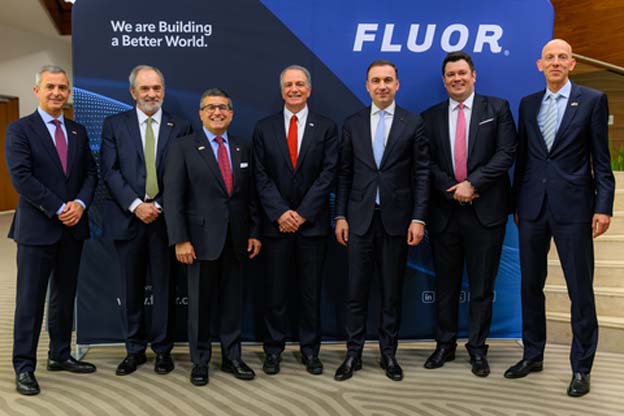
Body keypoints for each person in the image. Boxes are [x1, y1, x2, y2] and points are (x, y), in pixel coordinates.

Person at [506, 39, 614, 397]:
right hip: (532, 208)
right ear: (540, 65)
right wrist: (517, 204)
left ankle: (581, 367)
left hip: (575, 209)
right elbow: (524, 159)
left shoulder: (593, 100)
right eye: (549, 57)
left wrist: (603, 206)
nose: (555, 62)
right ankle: (532, 354)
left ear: (572, 64)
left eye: (562, 57)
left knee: (579, 289)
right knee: (530, 285)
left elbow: (601, 159)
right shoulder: (528, 104)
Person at [421, 51, 516, 377]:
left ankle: (477, 348)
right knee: (445, 285)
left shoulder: (498, 109)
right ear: (444, 80)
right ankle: (444, 344)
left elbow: (506, 153)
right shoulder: (429, 117)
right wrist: (453, 189)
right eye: (451, 75)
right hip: (445, 213)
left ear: (473, 76)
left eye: (462, 73)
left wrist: (473, 184)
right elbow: (426, 162)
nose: (457, 79)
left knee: (481, 287)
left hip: (486, 212)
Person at [334, 60, 429, 381]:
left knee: (391, 292)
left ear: (397, 85)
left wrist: (418, 218)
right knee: (355, 292)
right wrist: (340, 215)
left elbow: (422, 174)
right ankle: (353, 354)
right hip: (359, 221)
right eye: (376, 80)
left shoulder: (413, 123)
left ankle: (389, 354)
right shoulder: (353, 123)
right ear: (367, 86)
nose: (382, 86)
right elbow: (344, 174)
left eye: (388, 80)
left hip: (397, 222)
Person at [5, 65, 98, 395]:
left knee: (64, 296)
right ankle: (24, 367)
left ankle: (59, 354)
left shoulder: (77, 131)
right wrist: (60, 208)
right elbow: (21, 177)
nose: (57, 93)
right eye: (50, 87)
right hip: (37, 229)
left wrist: (80, 205)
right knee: (29, 301)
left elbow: (90, 174)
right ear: (37, 91)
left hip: (73, 228)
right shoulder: (20, 129)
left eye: (62, 87)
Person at [163, 88, 261, 386]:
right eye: (210, 108)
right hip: (199, 241)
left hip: (237, 239)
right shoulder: (183, 147)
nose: (217, 112)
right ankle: (200, 361)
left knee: (233, 304)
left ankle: (232, 357)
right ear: (201, 113)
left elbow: (251, 196)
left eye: (223, 107)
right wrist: (180, 239)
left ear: (231, 113)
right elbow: (173, 198)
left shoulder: (243, 147)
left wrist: (254, 232)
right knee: (199, 305)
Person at [100, 65, 192, 376]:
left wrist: (159, 205)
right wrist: (136, 205)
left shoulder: (181, 126)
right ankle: (134, 350)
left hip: (165, 222)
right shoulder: (114, 125)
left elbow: (183, 175)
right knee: (130, 289)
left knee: (165, 288)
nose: (151, 94)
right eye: (145, 88)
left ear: (163, 91)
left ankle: (163, 350)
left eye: (156, 88)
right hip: (127, 218)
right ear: (133, 92)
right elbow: (109, 171)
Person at [253, 65, 338, 375]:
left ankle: (310, 351)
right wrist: (281, 213)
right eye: (288, 84)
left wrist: (302, 214)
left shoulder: (326, 127)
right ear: (281, 90)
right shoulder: (264, 128)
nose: (294, 89)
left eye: (299, 84)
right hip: (275, 226)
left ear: (309, 89)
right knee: (274, 294)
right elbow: (260, 175)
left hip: (311, 226)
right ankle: (273, 350)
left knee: (310, 294)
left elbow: (329, 173)